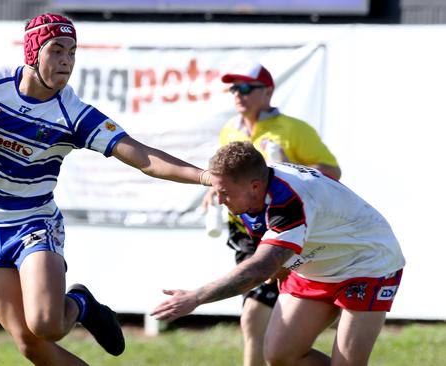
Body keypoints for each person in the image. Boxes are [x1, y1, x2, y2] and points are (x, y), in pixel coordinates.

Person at [0, 13, 211, 366]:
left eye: (72, 52)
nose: (66, 61)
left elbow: (142, 156)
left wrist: (204, 177)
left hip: (33, 225)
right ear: (32, 53)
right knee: (30, 346)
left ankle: (81, 305)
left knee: (47, 324)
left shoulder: (72, 114)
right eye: (56, 50)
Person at [153, 141, 405, 366]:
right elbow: (152, 163)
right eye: (215, 190)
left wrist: (196, 298)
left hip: (367, 263)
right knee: (280, 355)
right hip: (316, 264)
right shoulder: (246, 185)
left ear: (254, 186)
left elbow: (258, 270)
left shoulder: (287, 202)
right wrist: (114, 140)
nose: (218, 200)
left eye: (224, 193)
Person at [203, 61, 341, 366]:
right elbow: (229, 176)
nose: (238, 94)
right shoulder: (231, 129)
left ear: (267, 91)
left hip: (285, 229)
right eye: (233, 88)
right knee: (254, 319)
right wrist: (215, 189)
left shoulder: (293, 129)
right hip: (245, 234)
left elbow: (332, 172)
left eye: (246, 88)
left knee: (257, 317)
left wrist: (285, 167)